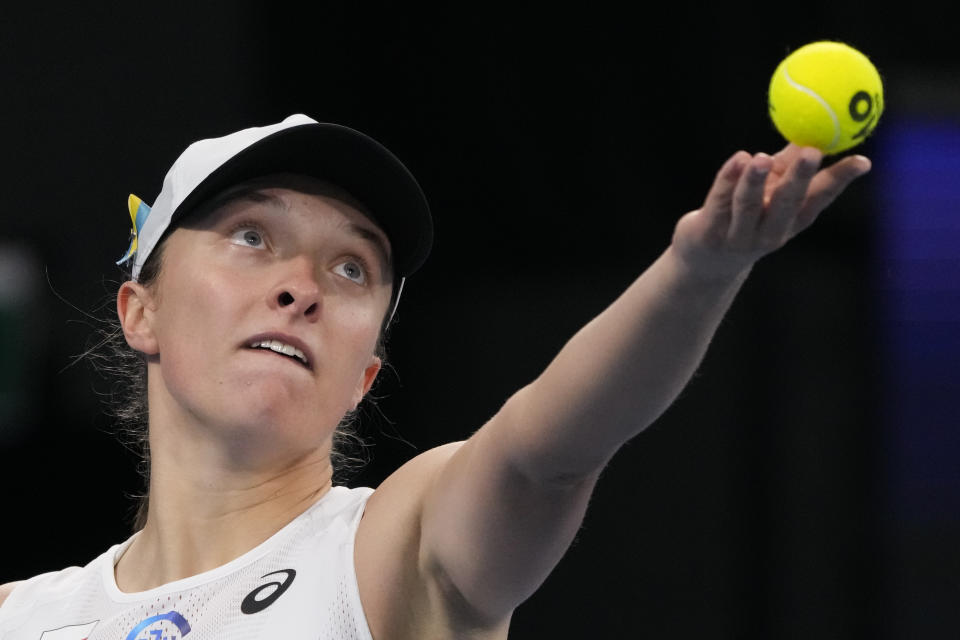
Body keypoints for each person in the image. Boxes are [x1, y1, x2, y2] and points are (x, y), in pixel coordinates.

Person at [0, 114, 871, 639]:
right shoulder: (24, 617)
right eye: (251, 237)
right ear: (139, 310)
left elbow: (547, 453)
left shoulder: (393, 548)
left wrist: (700, 271)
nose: (301, 286)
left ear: (364, 376)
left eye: (352, 270)